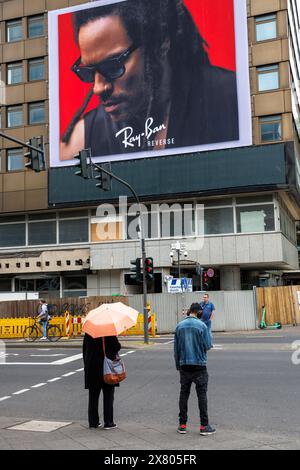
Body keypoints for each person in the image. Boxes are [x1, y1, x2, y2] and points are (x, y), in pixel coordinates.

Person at [60, 0, 239, 160]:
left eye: (113, 66)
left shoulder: (234, 99)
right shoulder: (82, 140)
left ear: (160, 43)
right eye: (89, 71)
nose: (98, 88)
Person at [174, 303, 215, 436]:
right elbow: (208, 345)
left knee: (184, 394)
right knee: (201, 395)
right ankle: (204, 426)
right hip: (199, 365)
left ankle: (182, 425)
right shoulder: (202, 326)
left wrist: (178, 366)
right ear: (198, 312)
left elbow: (176, 350)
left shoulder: (179, 326)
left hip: (184, 365)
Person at [83, 333, 121, 429]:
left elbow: (84, 350)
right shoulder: (109, 333)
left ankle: (93, 422)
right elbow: (117, 347)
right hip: (106, 368)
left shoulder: (89, 332)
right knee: (108, 395)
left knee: (93, 396)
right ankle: (108, 422)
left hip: (92, 367)